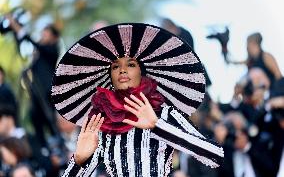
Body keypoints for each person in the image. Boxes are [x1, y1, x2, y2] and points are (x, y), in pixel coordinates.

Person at [51, 23, 224, 176]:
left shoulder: (163, 112)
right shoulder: (104, 124)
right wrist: (79, 160)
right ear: (109, 75)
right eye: (116, 66)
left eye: (131, 64)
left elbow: (215, 155)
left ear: (141, 71)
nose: (122, 70)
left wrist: (157, 126)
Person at [6, 14, 61, 147]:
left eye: (46, 34)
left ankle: (60, 143)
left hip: (48, 93)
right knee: (36, 119)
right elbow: (25, 55)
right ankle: (43, 147)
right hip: (36, 93)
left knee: (51, 121)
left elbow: (35, 44)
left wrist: (22, 31)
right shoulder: (38, 54)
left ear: (54, 37)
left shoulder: (52, 49)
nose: (43, 36)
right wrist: (17, 33)